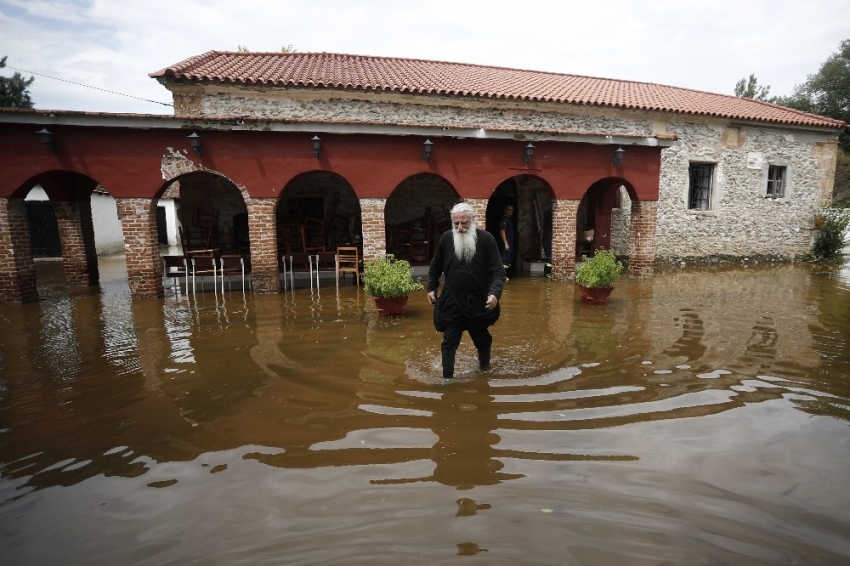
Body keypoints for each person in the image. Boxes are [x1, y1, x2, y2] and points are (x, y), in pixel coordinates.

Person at [428, 203, 506, 379]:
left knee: (482, 340)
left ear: (473, 220)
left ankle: (484, 369)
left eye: (464, 223)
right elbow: (436, 265)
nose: (460, 228)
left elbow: (498, 272)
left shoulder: (486, 240)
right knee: (449, 342)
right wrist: (431, 287)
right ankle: (447, 380)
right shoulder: (447, 239)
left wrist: (494, 294)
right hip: (452, 299)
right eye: (456, 224)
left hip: (478, 301)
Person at [498, 204, 515, 271]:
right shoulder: (504, 220)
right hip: (505, 243)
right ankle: (502, 276)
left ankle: (504, 275)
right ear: (505, 210)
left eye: (512, 210)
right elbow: (502, 231)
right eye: (509, 210)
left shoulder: (508, 219)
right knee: (504, 260)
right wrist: (505, 243)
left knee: (508, 260)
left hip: (510, 242)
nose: (511, 211)